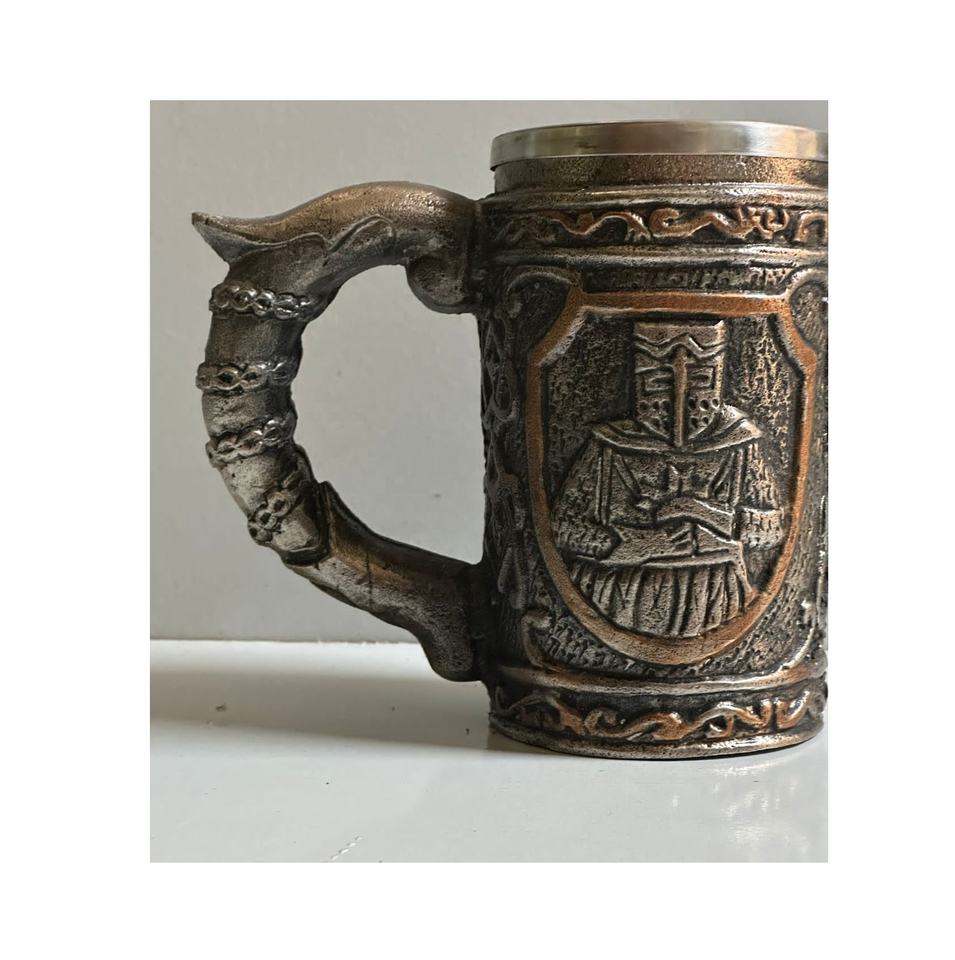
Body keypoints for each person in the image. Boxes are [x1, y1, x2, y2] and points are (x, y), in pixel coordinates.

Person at [553, 319, 784, 639]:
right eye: (660, 380)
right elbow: (563, 527)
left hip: (716, 596)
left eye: (699, 378)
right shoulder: (609, 445)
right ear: (642, 380)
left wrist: (706, 514)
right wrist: (628, 545)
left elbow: (773, 529)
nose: (680, 391)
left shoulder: (739, 442)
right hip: (619, 594)